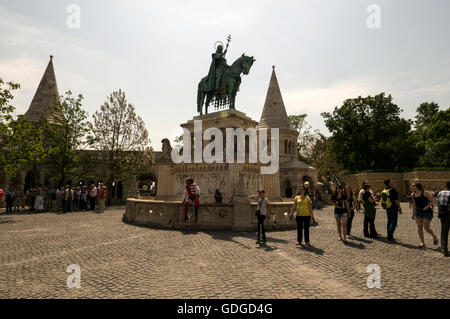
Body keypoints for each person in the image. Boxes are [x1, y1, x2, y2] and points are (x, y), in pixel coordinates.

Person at [411, 182, 438, 248]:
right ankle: (422, 242)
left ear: (417, 186)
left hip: (427, 212)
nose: (412, 187)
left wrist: (428, 206)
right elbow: (414, 204)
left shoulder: (425, 193)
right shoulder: (413, 194)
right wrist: (412, 213)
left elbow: (433, 201)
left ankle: (434, 236)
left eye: (413, 186)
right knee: (419, 227)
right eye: (412, 186)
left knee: (426, 227)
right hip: (418, 211)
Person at [436, 181, 450, 257]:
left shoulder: (441, 193)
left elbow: (437, 203)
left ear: (445, 186)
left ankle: (444, 249)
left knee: (444, 232)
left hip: (444, 214)